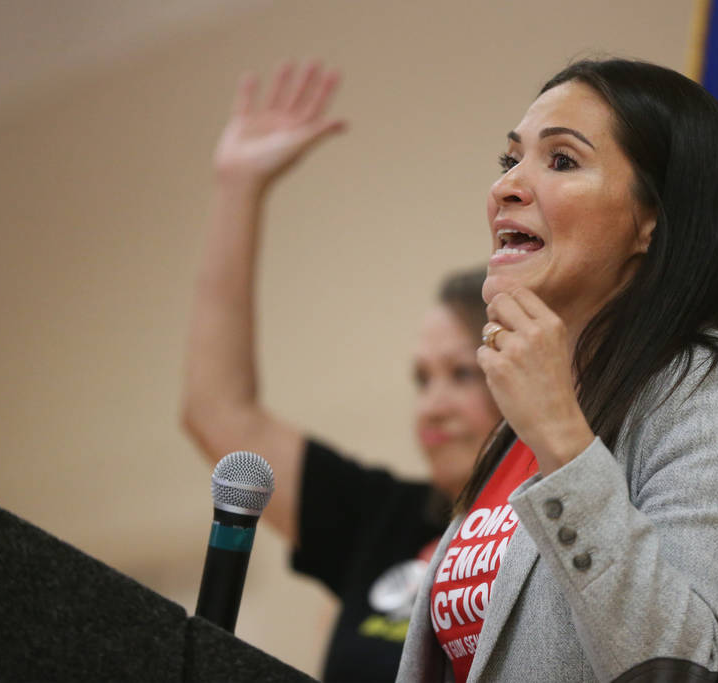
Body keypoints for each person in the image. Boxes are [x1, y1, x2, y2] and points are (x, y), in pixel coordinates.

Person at [396, 58, 718, 682]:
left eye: (561, 161)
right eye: (510, 161)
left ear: (652, 219)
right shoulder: (524, 426)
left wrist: (561, 439)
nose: (507, 187)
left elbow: (684, 667)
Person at [180, 61, 501, 681]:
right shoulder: (381, 519)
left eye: (461, 375)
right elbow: (217, 412)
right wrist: (238, 189)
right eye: (421, 379)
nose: (431, 405)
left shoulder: (565, 525)